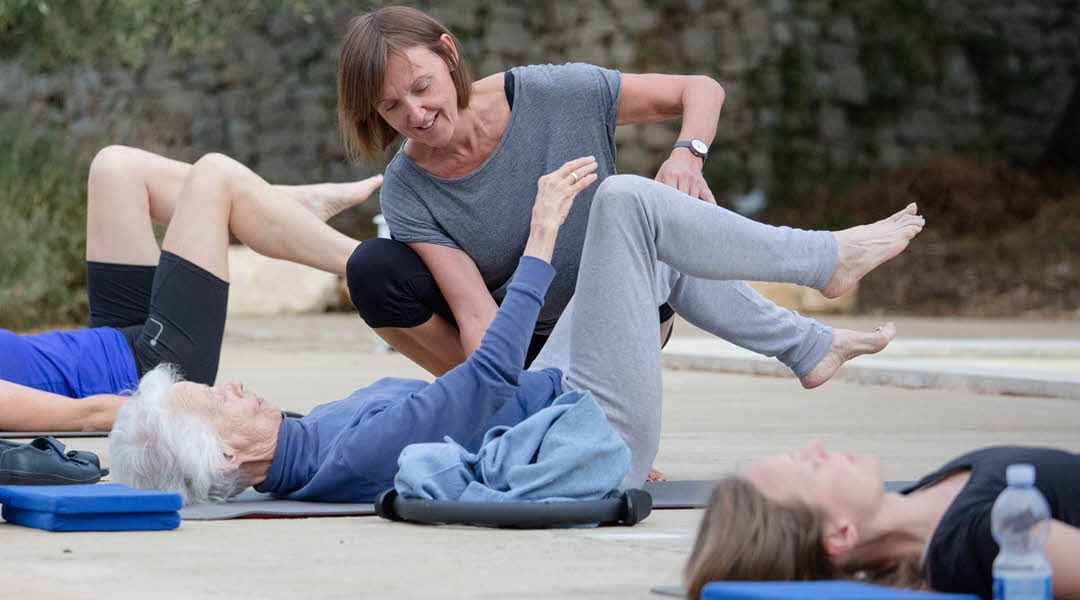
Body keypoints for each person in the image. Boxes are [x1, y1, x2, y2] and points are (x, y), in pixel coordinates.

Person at [109, 156, 923, 506]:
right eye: (221, 402)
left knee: (654, 258)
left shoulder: (310, 445)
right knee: (627, 206)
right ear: (225, 456)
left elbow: (480, 412)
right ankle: (825, 260)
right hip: (585, 424)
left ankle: (808, 349)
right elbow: (482, 384)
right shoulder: (337, 455)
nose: (238, 385)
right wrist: (537, 243)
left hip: (555, 411)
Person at [337, 6, 887, 403]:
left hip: (626, 310)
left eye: (423, 86)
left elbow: (700, 88)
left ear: (449, 51)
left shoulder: (553, 93)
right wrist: (514, 407)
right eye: (391, 107)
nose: (416, 113)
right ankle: (813, 323)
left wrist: (687, 155)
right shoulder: (409, 187)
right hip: (530, 347)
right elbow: (477, 315)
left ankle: (815, 296)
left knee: (642, 207)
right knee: (374, 266)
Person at [0, 145, 381, 432]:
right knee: (215, 176)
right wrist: (184, 409)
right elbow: (84, 417)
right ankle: (377, 268)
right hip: (152, 374)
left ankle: (279, 205)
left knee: (115, 168)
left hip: (111, 340)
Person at [682, 442, 1080, 600]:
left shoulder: (924, 498)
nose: (818, 447)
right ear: (840, 534)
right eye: (813, 468)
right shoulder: (986, 539)